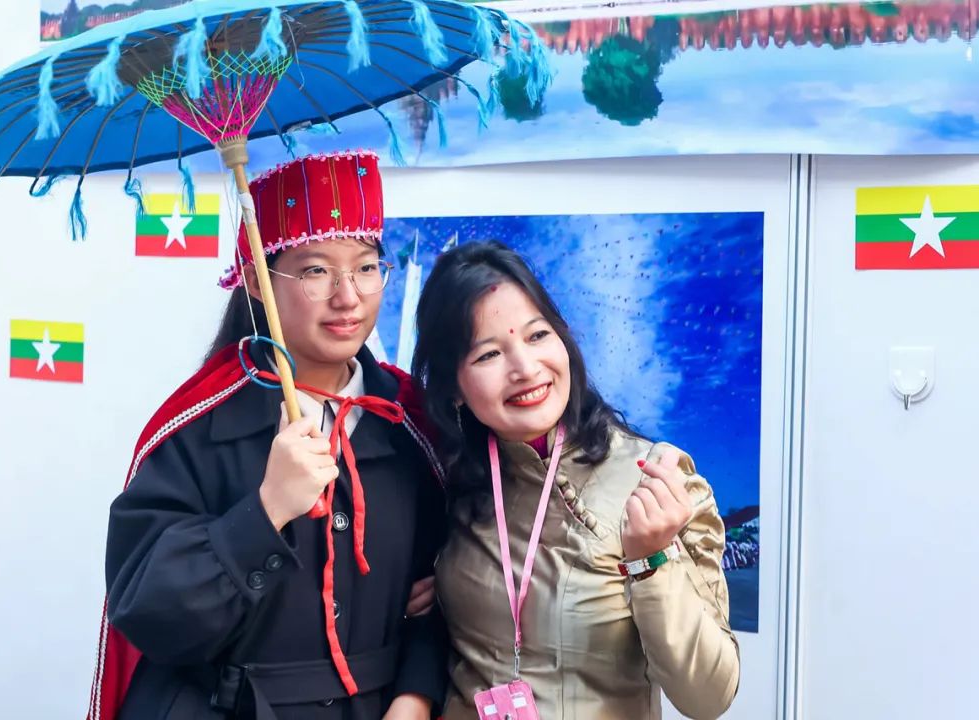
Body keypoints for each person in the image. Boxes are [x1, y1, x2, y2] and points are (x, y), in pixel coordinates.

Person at [86, 150, 447, 720]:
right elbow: (147, 613)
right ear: (257, 281)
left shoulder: (411, 423)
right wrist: (267, 509)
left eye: (366, 266)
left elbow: (452, 589)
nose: (348, 296)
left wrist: (416, 694)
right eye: (315, 271)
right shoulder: (194, 429)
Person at [411, 240, 740, 720]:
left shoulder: (656, 478)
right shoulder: (448, 479)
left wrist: (651, 560)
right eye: (489, 354)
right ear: (453, 388)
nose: (526, 369)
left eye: (537, 335)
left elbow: (708, 697)